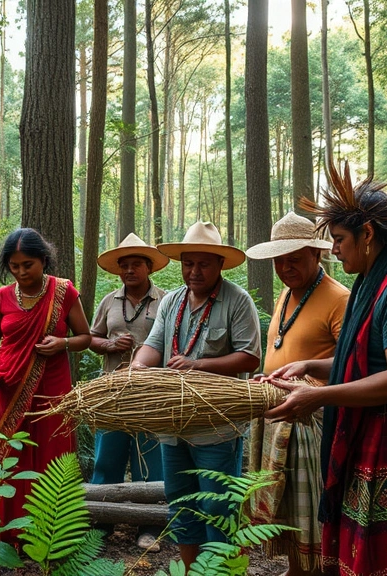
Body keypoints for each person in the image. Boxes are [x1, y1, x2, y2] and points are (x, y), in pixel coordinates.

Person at [264, 161, 387, 576]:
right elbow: (362, 361)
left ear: (367, 234)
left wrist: (319, 397)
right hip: (369, 427)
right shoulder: (372, 281)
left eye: (339, 239)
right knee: (362, 550)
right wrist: (309, 365)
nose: (334, 249)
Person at [130, 221, 262, 569]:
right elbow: (153, 345)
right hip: (173, 427)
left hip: (217, 428)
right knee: (181, 503)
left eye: (203, 264)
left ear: (220, 264)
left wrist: (198, 364)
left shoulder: (237, 300)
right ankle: (190, 571)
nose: (194, 271)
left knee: (218, 506)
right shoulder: (171, 301)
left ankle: (221, 571)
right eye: (188, 263)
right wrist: (138, 366)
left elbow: (250, 357)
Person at [244, 212, 350, 576]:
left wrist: (307, 373)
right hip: (281, 417)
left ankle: (314, 569)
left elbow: (353, 363)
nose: (285, 268)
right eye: (279, 260)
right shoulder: (286, 294)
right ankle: (297, 568)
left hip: (313, 421)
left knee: (311, 510)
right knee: (288, 506)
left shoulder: (338, 298)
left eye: (294, 259)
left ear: (316, 255)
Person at [0, 228, 92, 531]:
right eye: (14, 266)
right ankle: (8, 531)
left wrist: (62, 343)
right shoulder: (2, 297)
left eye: (27, 265)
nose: (20, 272)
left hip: (52, 390)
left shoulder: (64, 292)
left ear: (43, 259)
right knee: (10, 456)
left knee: (52, 456)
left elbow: (85, 337)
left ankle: (52, 533)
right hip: (8, 388)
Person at [88, 233, 169, 551]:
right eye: (124, 265)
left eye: (136, 264)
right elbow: (91, 338)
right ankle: (101, 525)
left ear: (149, 267)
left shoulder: (166, 300)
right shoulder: (109, 301)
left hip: (152, 394)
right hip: (112, 393)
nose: (130, 270)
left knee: (149, 460)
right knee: (107, 458)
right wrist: (109, 344)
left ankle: (149, 528)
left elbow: (175, 342)